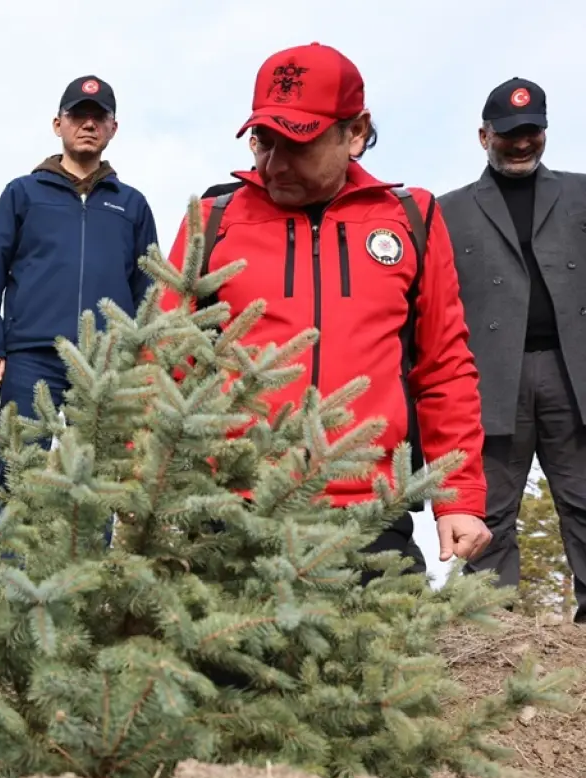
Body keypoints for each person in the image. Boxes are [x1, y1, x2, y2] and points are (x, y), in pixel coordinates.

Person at [160, 42, 492, 575]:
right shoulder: (213, 221)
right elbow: (161, 360)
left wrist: (458, 497)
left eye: (298, 142)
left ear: (355, 132)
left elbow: (444, 369)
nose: (274, 163)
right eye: (263, 141)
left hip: (373, 515)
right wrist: (145, 487)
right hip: (234, 510)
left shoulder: (411, 219)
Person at [439, 78, 586, 623]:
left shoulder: (581, 193)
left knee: (583, 501)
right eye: (508, 135)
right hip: (487, 381)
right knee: (488, 512)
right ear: (484, 136)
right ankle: (491, 632)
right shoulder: (446, 211)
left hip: (575, 378)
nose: (521, 143)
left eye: (531, 132)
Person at [0, 75, 158, 488]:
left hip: (106, 365)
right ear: (58, 124)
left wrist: (141, 362)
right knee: (20, 478)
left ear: (113, 127)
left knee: (95, 487)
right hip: (30, 357)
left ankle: (90, 557)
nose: (88, 124)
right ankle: (9, 557)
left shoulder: (131, 205)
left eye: (99, 117)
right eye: (78, 115)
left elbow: (149, 289)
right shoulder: (22, 193)